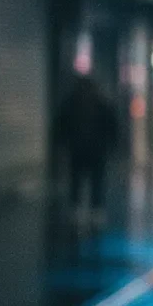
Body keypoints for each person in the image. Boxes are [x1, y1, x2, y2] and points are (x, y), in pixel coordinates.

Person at [53, 73, 120, 227]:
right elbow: (112, 128)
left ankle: (78, 209)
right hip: (95, 151)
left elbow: (60, 127)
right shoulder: (101, 104)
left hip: (79, 150)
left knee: (78, 180)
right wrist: (111, 147)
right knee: (95, 180)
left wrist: (62, 146)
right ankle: (94, 210)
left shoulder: (71, 103)